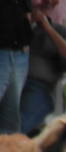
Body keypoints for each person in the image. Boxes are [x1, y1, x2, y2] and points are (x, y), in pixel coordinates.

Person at [20, 0, 66, 134]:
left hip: (38, 86)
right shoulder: (10, 28)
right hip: (10, 83)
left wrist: (47, 28)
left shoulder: (60, 31)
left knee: (20, 124)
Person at [0, 0, 32, 134]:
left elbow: (27, 15)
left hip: (19, 52)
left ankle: (9, 151)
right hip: (3, 51)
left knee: (11, 117)